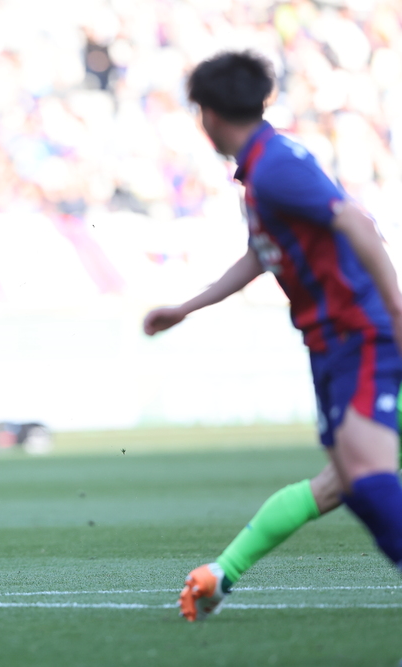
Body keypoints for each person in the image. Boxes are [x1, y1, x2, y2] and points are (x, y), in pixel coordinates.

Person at [142, 51, 402, 621]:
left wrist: (396, 311)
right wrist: (187, 307)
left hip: (358, 334)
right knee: (348, 482)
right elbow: (259, 256)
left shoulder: (276, 167)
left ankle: (224, 573)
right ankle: (224, 574)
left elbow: (357, 221)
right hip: (332, 342)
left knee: (364, 479)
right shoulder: (263, 170)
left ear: (208, 114)